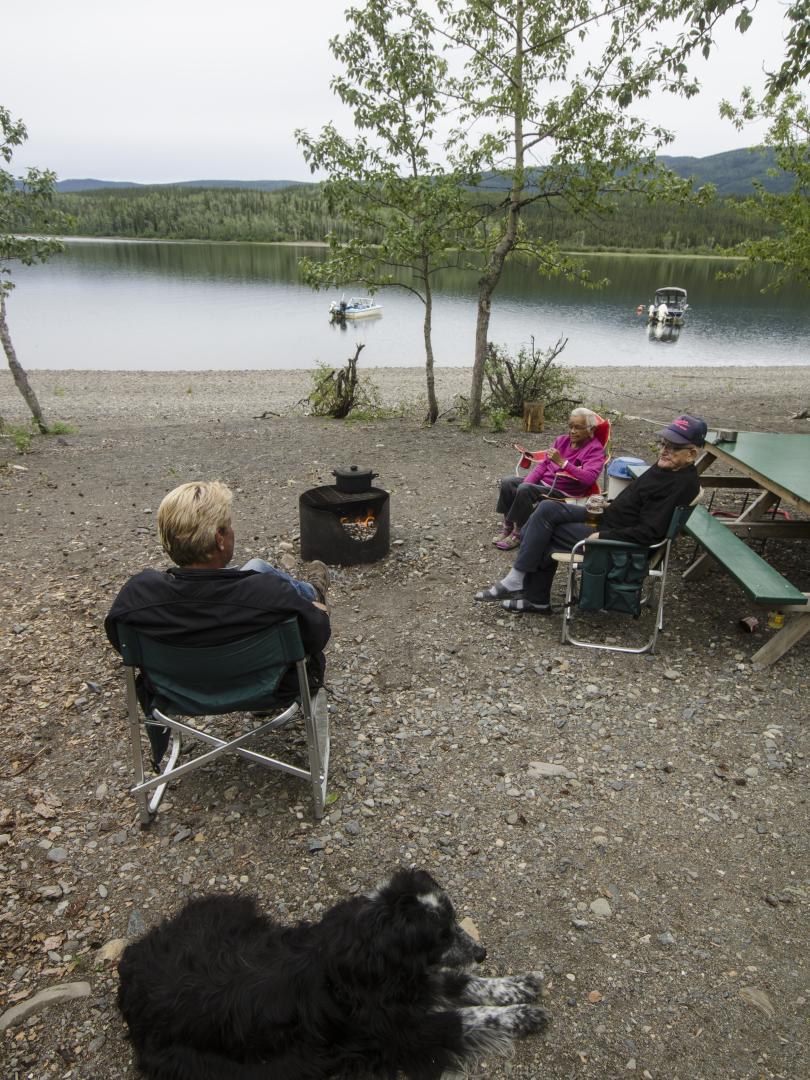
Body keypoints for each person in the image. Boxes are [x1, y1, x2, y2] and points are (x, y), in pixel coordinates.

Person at [105, 481, 332, 762]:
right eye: (229, 526)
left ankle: (310, 592)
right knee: (265, 574)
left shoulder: (136, 597)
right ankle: (312, 593)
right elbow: (317, 636)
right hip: (268, 689)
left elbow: (123, 644)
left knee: (257, 567)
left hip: (175, 692)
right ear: (219, 539)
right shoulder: (267, 594)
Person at [475, 414, 706, 612]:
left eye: (674, 447)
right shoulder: (666, 468)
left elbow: (650, 532)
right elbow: (636, 501)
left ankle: (531, 595)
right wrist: (608, 503)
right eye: (664, 443)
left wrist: (604, 538)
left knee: (544, 532)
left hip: (615, 539)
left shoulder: (680, 484)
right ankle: (521, 583)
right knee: (546, 509)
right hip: (608, 517)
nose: (664, 450)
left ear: (692, 454)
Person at [493, 408, 607, 550]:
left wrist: (563, 463)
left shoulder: (595, 449)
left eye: (578, 427)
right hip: (545, 483)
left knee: (525, 489)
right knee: (508, 482)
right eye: (570, 426)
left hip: (563, 490)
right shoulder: (561, 441)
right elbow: (543, 465)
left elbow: (589, 478)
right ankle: (508, 525)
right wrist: (527, 482)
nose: (572, 431)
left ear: (591, 429)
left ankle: (519, 532)